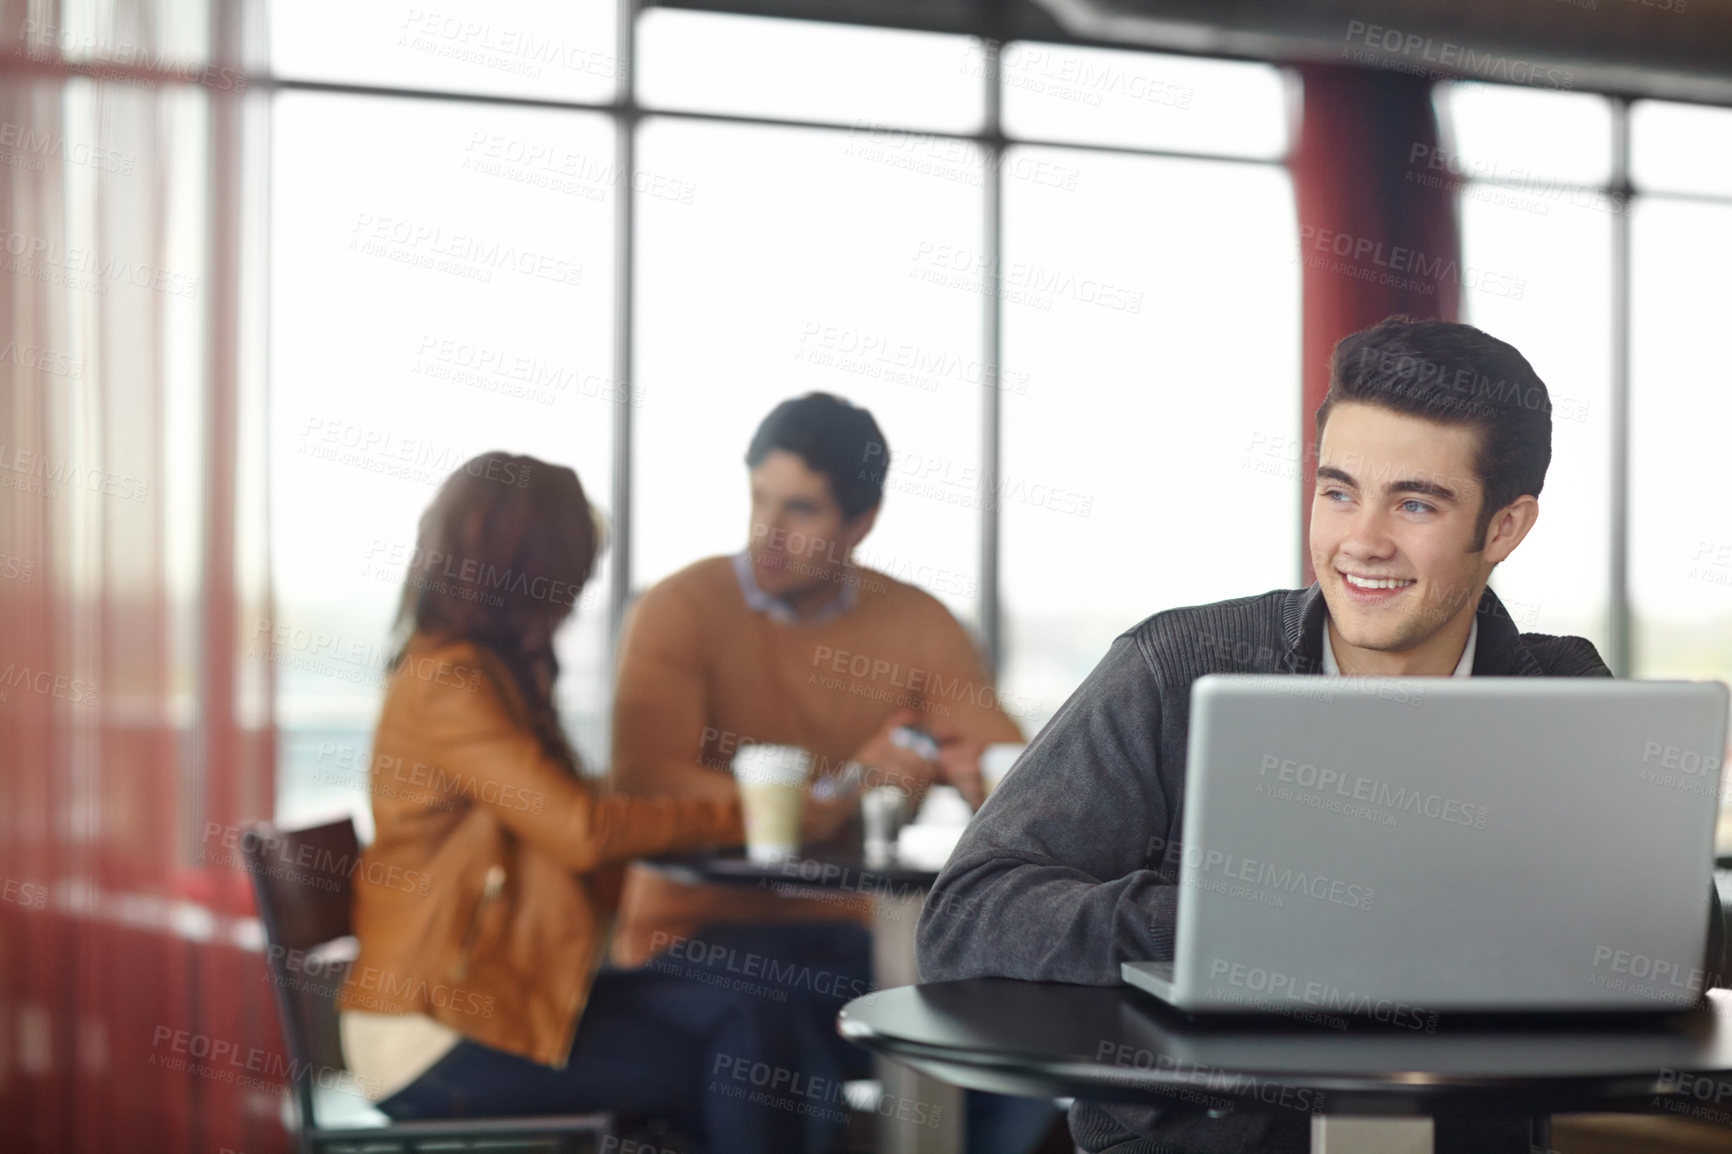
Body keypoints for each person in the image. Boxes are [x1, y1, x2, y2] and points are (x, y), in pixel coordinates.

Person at [916, 317, 1730, 1154]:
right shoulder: (1176, 667)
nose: (1361, 541)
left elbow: (1682, 954)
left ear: (1504, 528)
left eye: (1415, 503)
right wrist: (1241, 928)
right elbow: (970, 915)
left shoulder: (1560, 695)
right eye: (1339, 491)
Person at [336, 452, 843, 1154]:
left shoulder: (494, 678)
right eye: (571, 568)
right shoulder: (450, 682)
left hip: (511, 998)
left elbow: (577, 821)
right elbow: (582, 829)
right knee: (749, 1063)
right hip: (434, 1037)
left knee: (757, 1010)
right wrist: (753, 812)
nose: (577, 590)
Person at [609, 393, 1056, 1152]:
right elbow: (651, 786)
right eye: (759, 499)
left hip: (855, 938)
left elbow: (1023, 784)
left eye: (801, 510)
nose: (767, 533)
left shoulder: (916, 620)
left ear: (861, 523)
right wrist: (838, 792)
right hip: (695, 937)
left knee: (1013, 1034)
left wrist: (967, 770)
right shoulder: (680, 608)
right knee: (783, 1045)